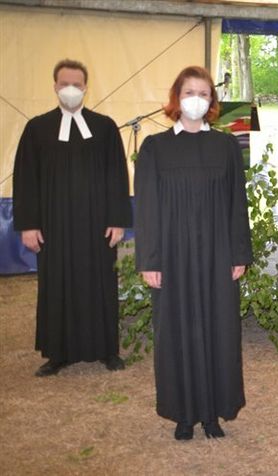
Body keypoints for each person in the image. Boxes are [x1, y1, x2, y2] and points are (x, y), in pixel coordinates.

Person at [134, 66, 252, 441]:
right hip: (172, 257)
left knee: (219, 329)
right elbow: (147, 207)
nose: (196, 99)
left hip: (217, 255)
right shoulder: (155, 147)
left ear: (211, 101)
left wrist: (238, 253)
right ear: (176, 98)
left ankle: (214, 412)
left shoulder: (225, 146)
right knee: (176, 331)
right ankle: (183, 414)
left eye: (203, 93)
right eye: (189, 92)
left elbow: (237, 203)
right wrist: (149, 260)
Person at [13, 59, 131, 377]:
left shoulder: (105, 127)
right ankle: (59, 352)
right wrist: (28, 224)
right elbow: (25, 178)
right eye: (64, 84)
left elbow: (117, 175)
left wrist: (118, 219)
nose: (70, 89)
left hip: (96, 225)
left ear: (85, 88)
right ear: (54, 86)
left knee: (100, 284)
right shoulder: (36, 128)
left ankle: (106, 349)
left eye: (77, 85)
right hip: (54, 226)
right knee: (57, 285)